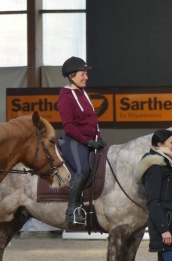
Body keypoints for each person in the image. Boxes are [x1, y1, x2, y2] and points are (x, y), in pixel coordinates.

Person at [134, 129, 172, 261]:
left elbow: (168, 192)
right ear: (159, 144)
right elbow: (153, 201)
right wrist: (164, 230)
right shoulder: (155, 167)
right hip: (166, 227)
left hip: (171, 225)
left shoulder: (166, 164)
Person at [58, 56, 107, 225]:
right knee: (83, 169)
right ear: (72, 76)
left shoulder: (83, 93)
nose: (86, 77)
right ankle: (72, 210)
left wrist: (98, 138)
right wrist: (87, 141)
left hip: (90, 140)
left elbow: (93, 120)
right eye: (83, 74)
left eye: (86, 74)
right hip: (74, 142)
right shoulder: (66, 97)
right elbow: (69, 127)